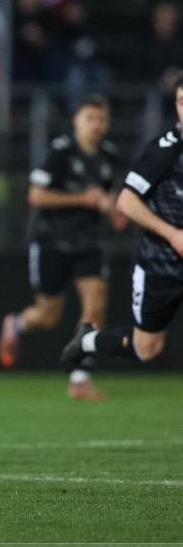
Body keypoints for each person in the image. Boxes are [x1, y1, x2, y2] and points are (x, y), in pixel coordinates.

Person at [0, 95, 125, 400]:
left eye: (101, 119)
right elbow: (36, 196)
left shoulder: (109, 156)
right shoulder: (60, 152)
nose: (96, 125)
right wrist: (84, 198)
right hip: (51, 240)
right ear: (76, 122)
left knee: (95, 305)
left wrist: (114, 210)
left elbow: (114, 207)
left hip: (88, 242)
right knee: (48, 314)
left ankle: (80, 377)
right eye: (90, 118)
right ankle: (16, 324)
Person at [60, 76, 183, 372]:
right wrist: (173, 234)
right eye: (181, 102)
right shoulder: (166, 150)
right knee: (147, 348)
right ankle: (88, 342)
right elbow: (126, 202)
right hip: (162, 262)